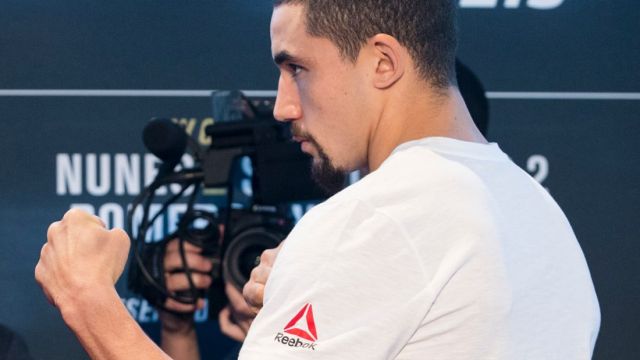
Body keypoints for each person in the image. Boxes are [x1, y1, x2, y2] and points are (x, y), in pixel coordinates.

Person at [35, 0, 601, 359]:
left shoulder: (376, 217)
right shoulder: (538, 213)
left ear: (383, 62)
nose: (282, 105)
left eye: (296, 68)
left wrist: (86, 299)